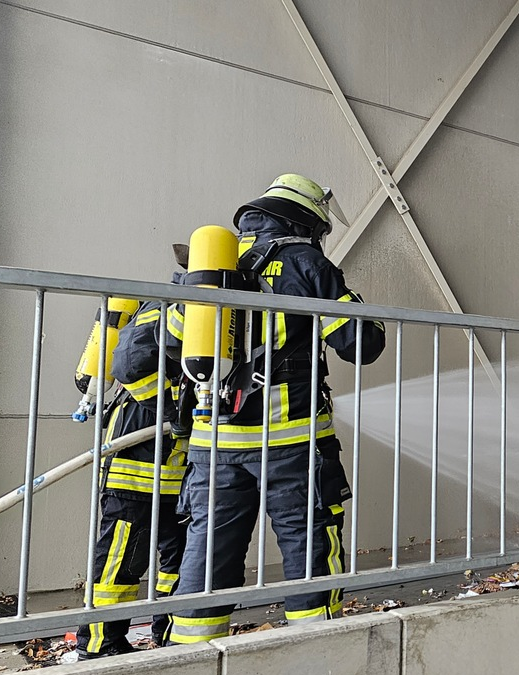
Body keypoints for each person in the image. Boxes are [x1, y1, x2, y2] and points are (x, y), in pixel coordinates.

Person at [165, 174, 386, 644]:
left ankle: (191, 651)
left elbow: (171, 343)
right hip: (290, 440)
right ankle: (317, 649)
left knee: (208, 552)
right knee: (309, 548)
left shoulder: (211, 264)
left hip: (213, 442)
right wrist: (359, 309)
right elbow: (360, 343)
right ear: (306, 222)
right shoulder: (304, 261)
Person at [75, 248, 191, 660]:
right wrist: (173, 410)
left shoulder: (207, 313)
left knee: (180, 557)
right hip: (136, 457)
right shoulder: (165, 308)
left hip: (176, 466)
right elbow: (129, 365)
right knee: (123, 556)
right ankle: (100, 643)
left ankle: (170, 633)